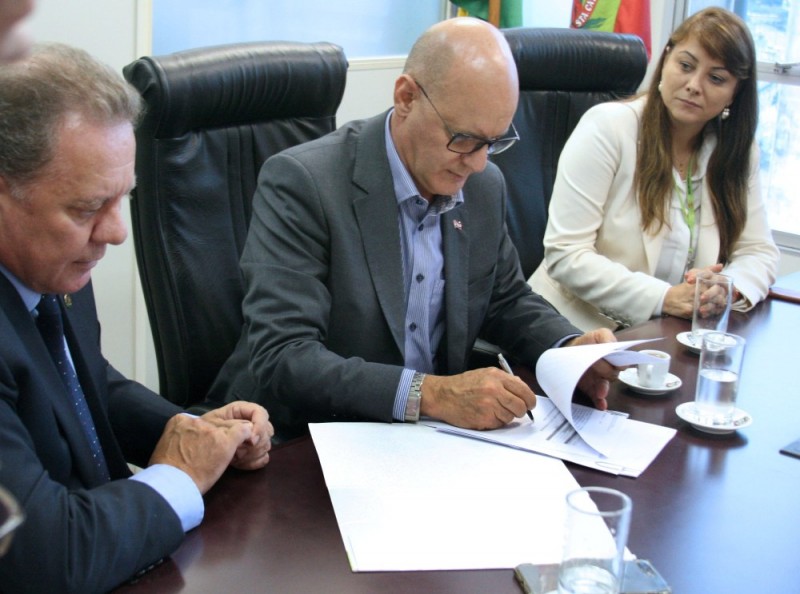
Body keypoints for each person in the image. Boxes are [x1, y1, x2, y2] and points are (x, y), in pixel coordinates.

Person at [209, 17, 617, 440]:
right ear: (406, 97)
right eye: (464, 138)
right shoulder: (304, 183)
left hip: (423, 441)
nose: (479, 163)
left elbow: (504, 298)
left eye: (494, 142)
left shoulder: (483, 185)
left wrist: (568, 349)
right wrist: (432, 394)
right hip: (299, 436)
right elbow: (284, 357)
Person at [0, 44, 274, 593]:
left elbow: (82, 383)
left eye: (121, 199)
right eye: (85, 208)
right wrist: (181, 475)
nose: (116, 232)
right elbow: (45, 556)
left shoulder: (51, 266)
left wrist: (201, 433)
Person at [528, 7, 779, 331]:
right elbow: (566, 255)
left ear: (735, 93)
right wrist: (665, 298)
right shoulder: (608, 128)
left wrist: (724, 288)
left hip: (665, 335)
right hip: (573, 329)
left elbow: (758, 251)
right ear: (666, 58)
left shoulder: (735, 152)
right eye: (685, 66)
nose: (694, 85)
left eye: (716, 78)